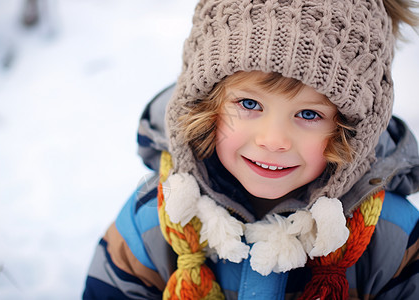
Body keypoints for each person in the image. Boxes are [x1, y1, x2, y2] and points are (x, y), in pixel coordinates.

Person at [83, 0, 419, 299]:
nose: (273, 140)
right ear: (204, 104)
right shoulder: (156, 219)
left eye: (308, 114)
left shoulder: (391, 237)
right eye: (249, 103)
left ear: (353, 131)